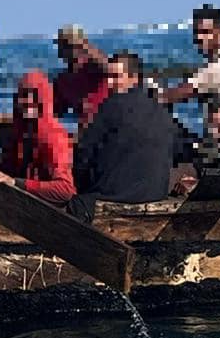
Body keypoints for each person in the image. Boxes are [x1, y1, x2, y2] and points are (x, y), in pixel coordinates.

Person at [69, 51, 191, 223]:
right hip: (155, 195)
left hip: (114, 198)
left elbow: (83, 156)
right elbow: (180, 150)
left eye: (116, 77)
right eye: (108, 77)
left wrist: (82, 186)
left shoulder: (110, 107)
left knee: (74, 205)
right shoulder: (162, 111)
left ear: (134, 78)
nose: (110, 83)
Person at [0, 70, 75, 204]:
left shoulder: (53, 136)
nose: (28, 101)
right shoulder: (21, 131)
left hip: (49, 211)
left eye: (34, 96)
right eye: (24, 95)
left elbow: (65, 189)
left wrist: (16, 183)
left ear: (43, 98)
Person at [159, 4, 220, 123]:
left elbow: (169, 97)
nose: (199, 37)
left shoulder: (215, 69)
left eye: (206, 32)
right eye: (196, 32)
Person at [52, 24, 111, 131]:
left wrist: (84, 45)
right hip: (87, 133)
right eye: (61, 46)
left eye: (67, 45)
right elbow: (53, 113)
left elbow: (112, 69)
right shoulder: (62, 81)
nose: (62, 51)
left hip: (110, 125)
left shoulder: (95, 67)